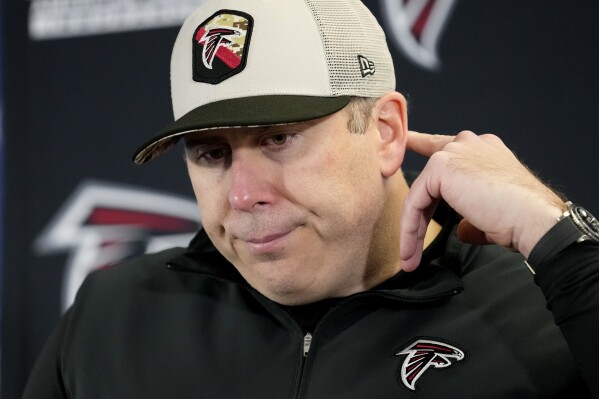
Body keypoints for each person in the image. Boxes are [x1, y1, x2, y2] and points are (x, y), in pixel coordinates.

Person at [22, 0, 599, 397]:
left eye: (279, 139)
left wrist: (555, 235)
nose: (244, 196)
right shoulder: (114, 317)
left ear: (384, 132)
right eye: (210, 154)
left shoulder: (539, 308)